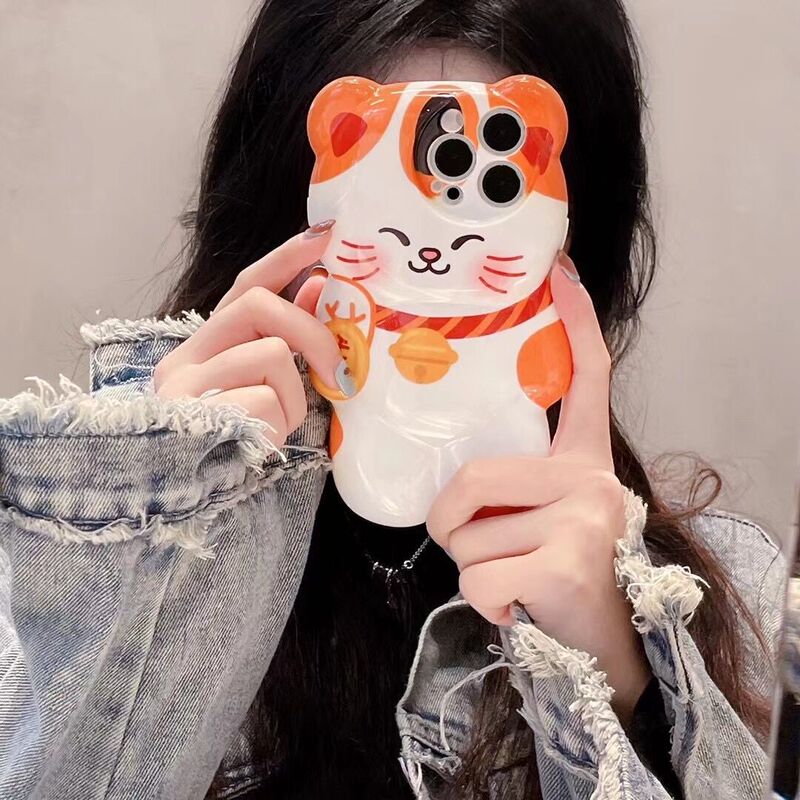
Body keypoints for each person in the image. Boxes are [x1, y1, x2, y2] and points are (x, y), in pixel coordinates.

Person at [0, 1, 786, 799]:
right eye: (386, 214)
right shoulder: (58, 555)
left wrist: (614, 676)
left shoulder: (721, 591)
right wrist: (153, 540)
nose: (430, 262)